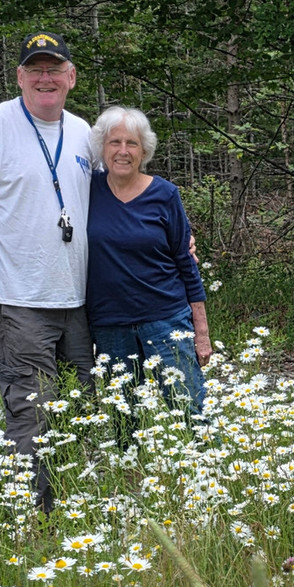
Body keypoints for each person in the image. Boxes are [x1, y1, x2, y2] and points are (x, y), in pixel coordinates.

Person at [0, 31, 94, 514]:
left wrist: (175, 233)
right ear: (20, 77)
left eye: (54, 69)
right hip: (21, 301)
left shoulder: (85, 132)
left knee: (83, 408)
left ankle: (84, 511)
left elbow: (118, 197)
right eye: (35, 70)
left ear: (71, 77)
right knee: (32, 413)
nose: (45, 78)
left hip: (82, 299)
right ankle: (34, 521)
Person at [86, 106, 212, 419]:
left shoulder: (165, 194)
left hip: (166, 319)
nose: (123, 151)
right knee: (122, 421)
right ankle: (129, 470)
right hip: (109, 324)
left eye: (132, 144)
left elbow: (186, 262)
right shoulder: (86, 190)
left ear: (145, 150)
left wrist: (202, 332)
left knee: (192, 411)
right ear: (102, 148)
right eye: (115, 142)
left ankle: (209, 467)